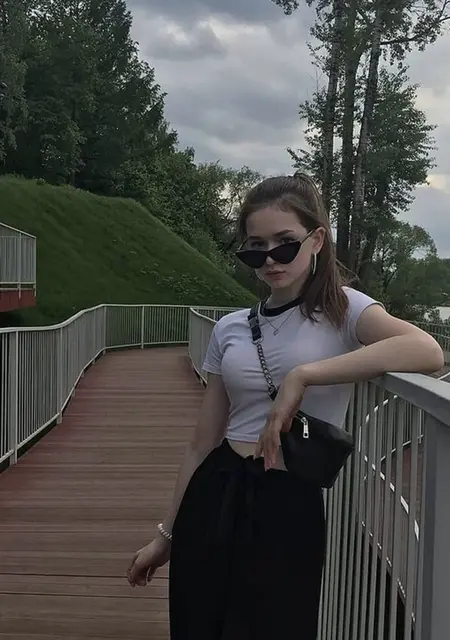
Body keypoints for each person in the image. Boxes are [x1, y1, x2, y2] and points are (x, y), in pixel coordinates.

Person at [127, 173, 443, 639]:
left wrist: (305, 375)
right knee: (199, 622)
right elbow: (201, 444)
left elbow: (427, 350)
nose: (271, 258)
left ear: (316, 240)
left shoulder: (343, 310)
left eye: (285, 243)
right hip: (216, 491)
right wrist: (166, 536)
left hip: (288, 500)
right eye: (256, 248)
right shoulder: (230, 328)